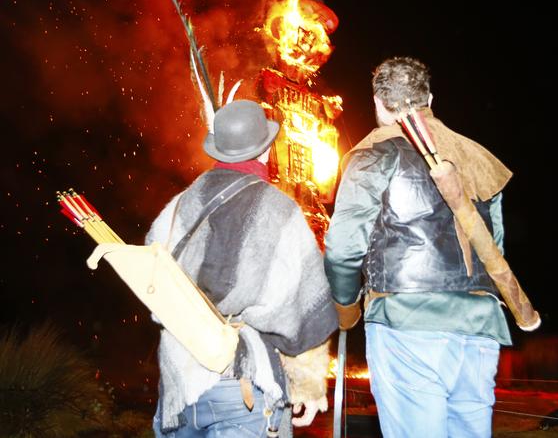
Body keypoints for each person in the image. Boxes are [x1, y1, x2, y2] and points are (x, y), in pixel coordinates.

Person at [324, 56, 514, 438]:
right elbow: (495, 246)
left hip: (406, 322)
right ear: (430, 98)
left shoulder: (372, 155)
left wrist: (345, 306)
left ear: (378, 103)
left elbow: (344, 248)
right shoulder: (476, 156)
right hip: (480, 326)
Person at [146, 99, 338, 437]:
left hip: (179, 382)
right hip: (243, 382)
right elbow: (301, 310)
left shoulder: (178, 206)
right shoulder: (279, 211)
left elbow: (153, 282)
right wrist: (308, 385)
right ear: (265, 151)